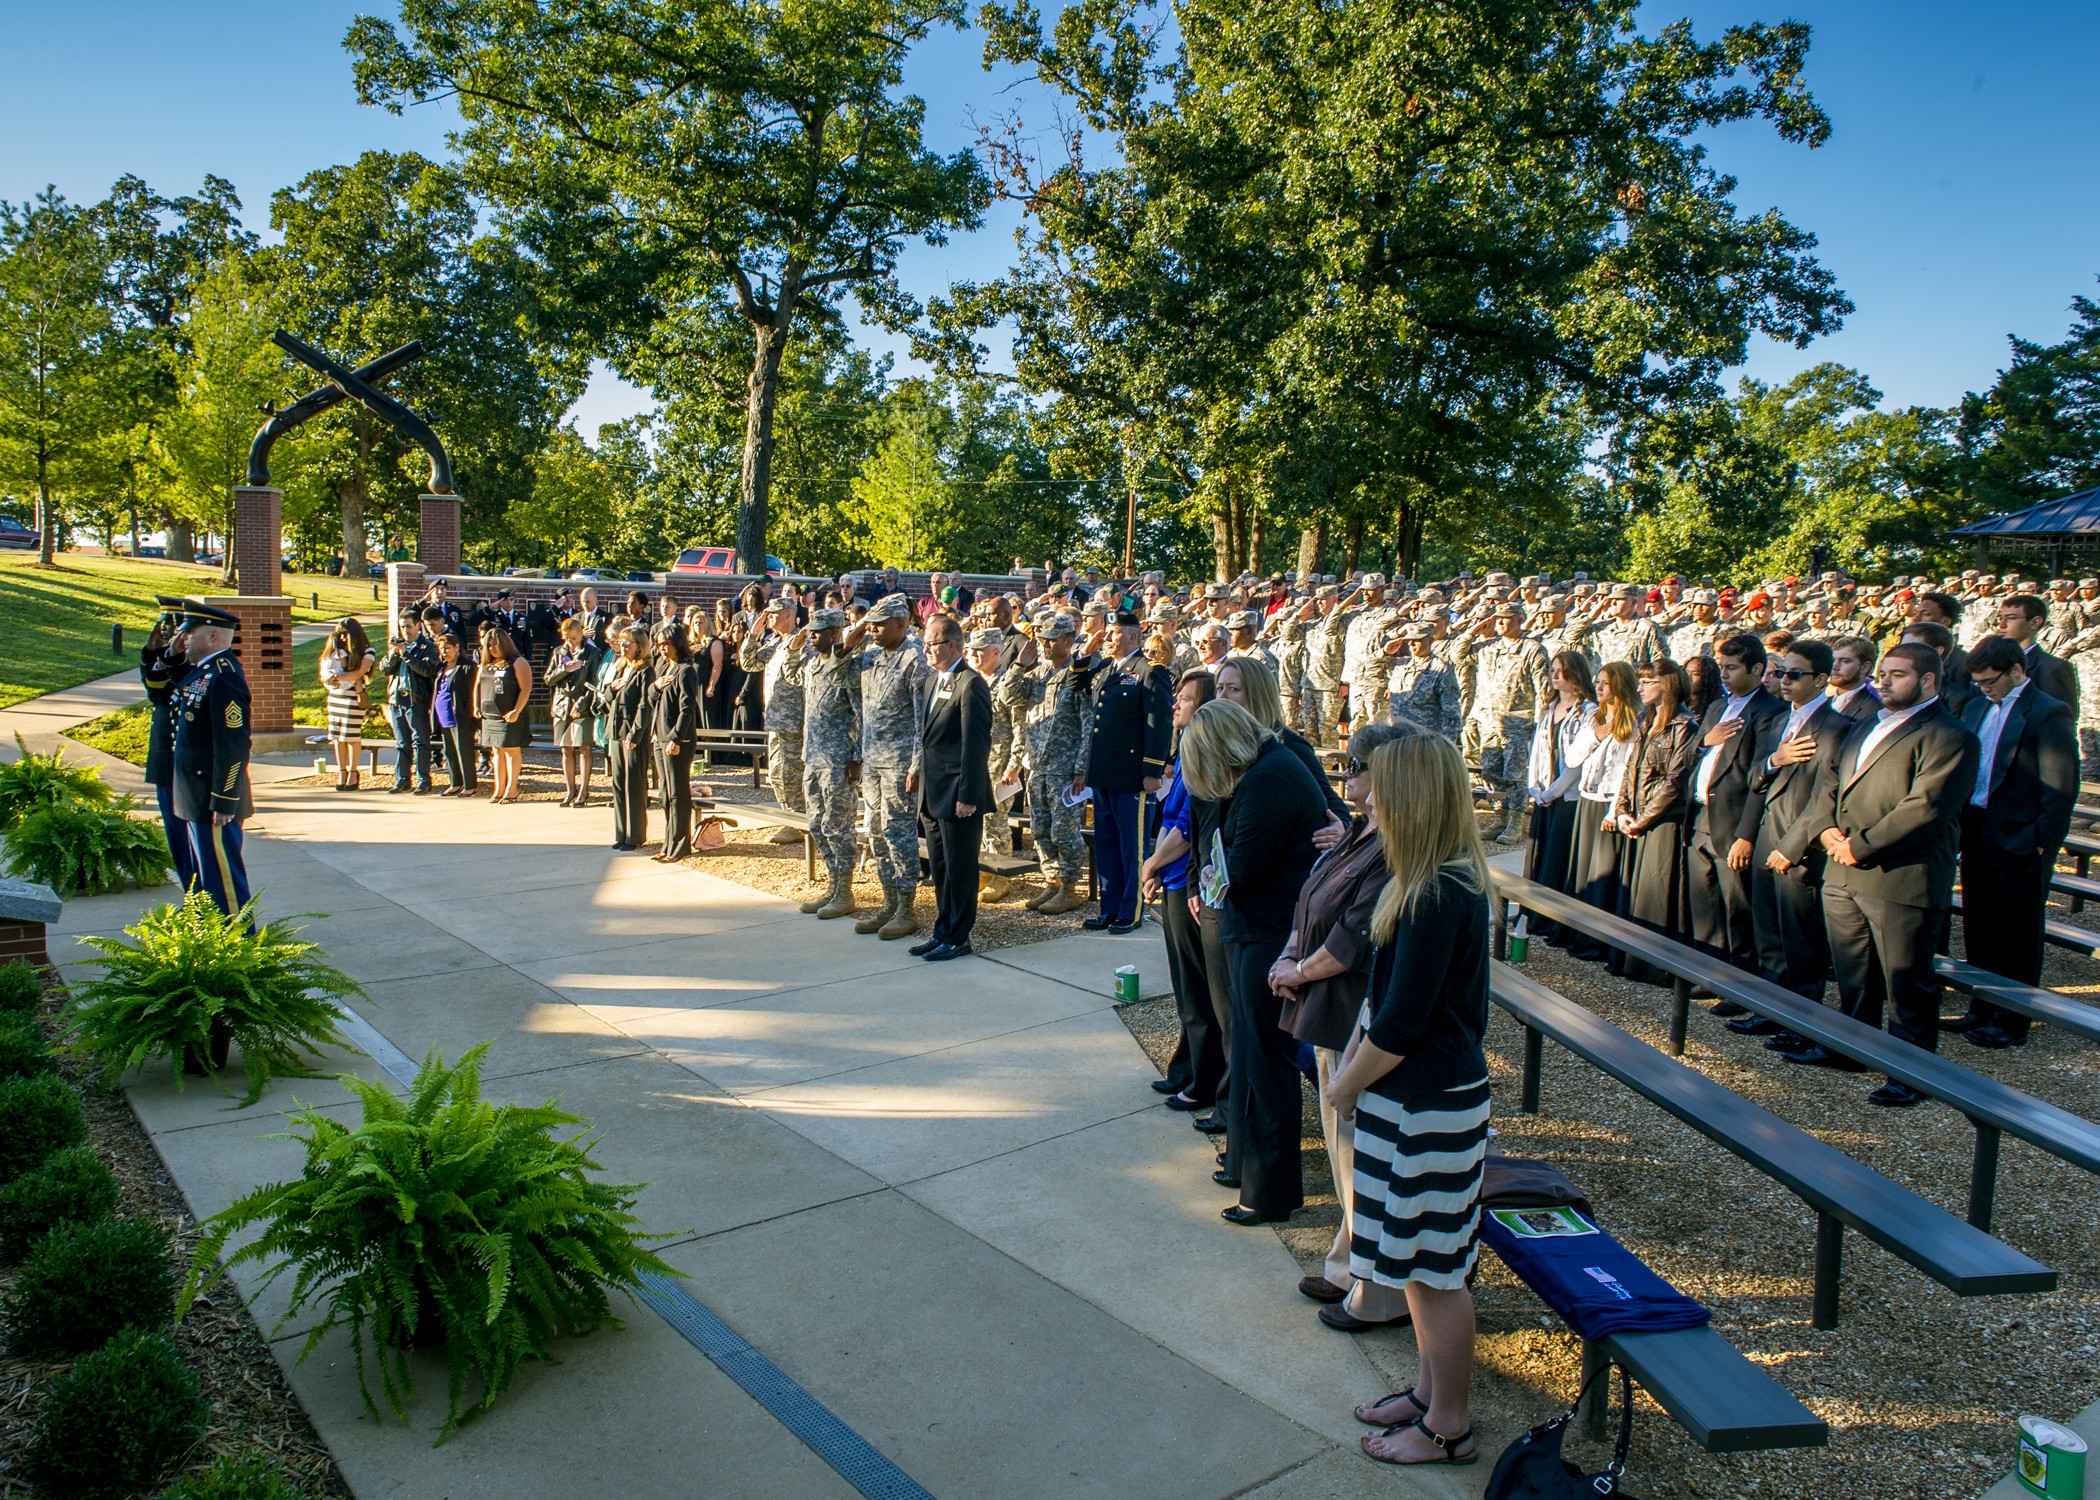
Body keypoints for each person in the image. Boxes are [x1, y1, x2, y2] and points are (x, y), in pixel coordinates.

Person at [1331, 733, 1491, 1468]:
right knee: (1419, 1262)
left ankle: (1448, 1425)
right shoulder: (1423, 878)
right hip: (1416, 1101)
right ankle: (1429, 1392)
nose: (1367, 795)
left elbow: (1400, 1025)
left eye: (1380, 784)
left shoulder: (1436, 892)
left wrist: (1344, 1083)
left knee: (1433, 1272)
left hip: (1429, 1101)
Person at [1273, 720, 1413, 1334]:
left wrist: (1296, 970)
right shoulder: (1358, 833)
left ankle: (1374, 1286)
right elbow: (1314, 903)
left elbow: (1350, 940)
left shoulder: (1393, 851)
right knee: (1342, 1150)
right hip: (1326, 1006)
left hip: (1350, 1010)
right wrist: (1292, 958)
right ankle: (1346, 1260)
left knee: (1355, 1152)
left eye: (1355, 767)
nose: (1346, 777)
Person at [1795, 642, 1978, 1106]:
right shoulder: (1864, 725)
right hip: (1842, 869)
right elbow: (1829, 783)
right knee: (1854, 970)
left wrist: (1861, 844)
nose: (1885, 682)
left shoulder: (1949, 735)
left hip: (1900, 876)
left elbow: (1926, 807)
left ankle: (1911, 1073)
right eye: (1883, 674)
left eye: (1898, 675)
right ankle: (1849, 1047)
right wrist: (1828, 832)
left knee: (1907, 981)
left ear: (1929, 680)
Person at [1180, 699, 1326, 1228]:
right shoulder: (1263, 768)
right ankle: (1246, 1165)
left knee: (1267, 1061)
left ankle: (1270, 1192)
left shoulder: (1268, 777)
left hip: (1270, 933)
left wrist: (1219, 864)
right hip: (1258, 928)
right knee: (1248, 1051)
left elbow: (1237, 866)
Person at [1949, 635, 2077, 1047]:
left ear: (2017, 671)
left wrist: (2041, 841)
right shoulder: (1976, 705)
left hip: (2020, 836)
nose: (1983, 688)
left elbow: (2060, 785)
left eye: (1990, 681)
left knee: (2017, 931)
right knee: (1980, 924)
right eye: (1979, 682)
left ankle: (2013, 1018)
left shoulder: (2047, 711)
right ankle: (1981, 1006)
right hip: (1977, 827)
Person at [1744, 639, 1852, 1040]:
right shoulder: (1777, 720)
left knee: (1801, 941)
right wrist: (1776, 760)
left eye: (1794, 674)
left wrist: (1791, 848)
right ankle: (1770, 1008)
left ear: (1821, 679)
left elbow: (1827, 797)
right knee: (1769, 934)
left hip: (1798, 846)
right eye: (1781, 672)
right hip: (1766, 835)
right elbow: (1754, 778)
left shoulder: (1837, 728)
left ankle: (1801, 1022)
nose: (1783, 680)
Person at [1141, 669, 1221, 1115]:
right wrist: (1155, 866)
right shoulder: (1186, 747)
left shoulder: (1202, 756)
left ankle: (1202, 1079)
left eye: (1186, 699)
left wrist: (1152, 863)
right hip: (1172, 877)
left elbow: (1188, 829)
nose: (1176, 705)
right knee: (1183, 984)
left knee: (1196, 987)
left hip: (1184, 880)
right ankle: (1186, 1066)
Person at [1682, 634, 1783, 987]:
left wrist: (1745, 834)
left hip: (1734, 819)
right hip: (1700, 815)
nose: (1723, 674)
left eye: (1732, 668)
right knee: (1705, 900)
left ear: (1757, 669)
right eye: (1721, 667)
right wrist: (1707, 740)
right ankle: (1709, 973)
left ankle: (1738, 982)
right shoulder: (1716, 708)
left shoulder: (1771, 712)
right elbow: (1692, 751)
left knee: (1736, 906)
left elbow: (1760, 779)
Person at [845, 594, 930, 940]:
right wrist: (847, 643)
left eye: (880, 625)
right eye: (871, 624)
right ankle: (889, 902)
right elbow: (836, 675)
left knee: (898, 835)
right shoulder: (870, 658)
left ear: (901, 623)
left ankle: (907, 908)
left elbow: (923, 719)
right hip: (873, 760)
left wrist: (916, 765)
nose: (873, 630)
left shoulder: (914, 658)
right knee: (877, 835)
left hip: (899, 765)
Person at [1082, 609, 1172, 933]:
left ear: (1134, 636)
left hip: (1131, 773)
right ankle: (1109, 908)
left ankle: (1130, 911)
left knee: (1130, 846)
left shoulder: (1149, 671)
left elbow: (1158, 724)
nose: (1108, 636)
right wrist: (1084, 654)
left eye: (1115, 632)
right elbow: (1075, 683)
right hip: (1104, 770)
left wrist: (1152, 769)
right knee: (1106, 841)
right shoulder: (1107, 667)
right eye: (1108, 631)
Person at [911, 616, 994, 960]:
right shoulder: (933, 681)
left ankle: (959, 937)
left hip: (959, 793)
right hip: (932, 791)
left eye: (933, 643)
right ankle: (942, 929)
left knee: (961, 868)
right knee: (941, 868)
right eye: (926, 643)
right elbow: (928, 737)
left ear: (953, 646)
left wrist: (968, 795)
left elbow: (975, 745)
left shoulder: (970, 683)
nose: (927, 650)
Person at [1611, 658, 1699, 983]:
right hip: (1637, 817)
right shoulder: (1645, 719)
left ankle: (1651, 965)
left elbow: (1675, 780)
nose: (1640, 688)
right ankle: (1628, 957)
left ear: (1668, 685)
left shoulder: (1684, 726)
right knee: (1634, 889)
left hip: (1661, 822)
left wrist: (1644, 819)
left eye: (1648, 682)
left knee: (1655, 891)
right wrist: (1622, 810)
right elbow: (1630, 769)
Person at [167, 600, 255, 920]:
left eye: (191, 633)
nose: (184, 638)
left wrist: (224, 798)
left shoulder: (225, 676)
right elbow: (172, 691)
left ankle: (239, 942)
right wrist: (174, 656)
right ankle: (212, 938)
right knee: (205, 880)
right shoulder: (204, 670)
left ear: (214, 637)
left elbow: (233, 745)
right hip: (195, 793)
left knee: (223, 881)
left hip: (212, 796)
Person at [1002, 613, 1093, 914]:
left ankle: (1069, 887)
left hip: (1065, 769)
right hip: (1038, 766)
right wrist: (1019, 664)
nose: (1045, 644)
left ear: (1069, 641)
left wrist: (1081, 767)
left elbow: (1087, 722)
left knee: (1064, 831)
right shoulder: (1035, 673)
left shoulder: (1079, 673)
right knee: (1040, 830)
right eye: (1042, 638)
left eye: (1052, 639)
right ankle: (1052, 882)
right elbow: (1007, 696)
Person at [1214, 655, 1349, 822]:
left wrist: (1340, 825)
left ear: (1257, 695)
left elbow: (1329, 798)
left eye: (1233, 689)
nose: (1222, 697)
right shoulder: (1223, 741)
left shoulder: (1289, 745)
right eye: (1219, 688)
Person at [792, 609, 865, 918]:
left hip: (838, 760)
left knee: (839, 827)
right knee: (816, 825)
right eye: (811, 630)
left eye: (820, 631)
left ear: (837, 633)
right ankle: (833, 886)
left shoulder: (848, 669)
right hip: (814, 757)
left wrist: (857, 757)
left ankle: (845, 891)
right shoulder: (811, 665)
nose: (812, 635)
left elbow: (862, 715)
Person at [1523, 651, 1597, 939]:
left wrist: (1554, 791)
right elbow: (1538, 752)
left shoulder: (1588, 711)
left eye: (1561, 671)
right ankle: (1534, 913)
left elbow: (1577, 761)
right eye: (1553, 670)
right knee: (1540, 855)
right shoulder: (1548, 707)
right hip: (1544, 795)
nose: (1554, 676)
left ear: (1575, 675)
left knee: (1558, 857)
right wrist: (1537, 789)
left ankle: (1555, 919)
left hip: (1566, 796)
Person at [1571, 661, 1639, 963]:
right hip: (1587, 798)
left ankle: (1596, 941)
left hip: (1608, 803)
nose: (1598, 688)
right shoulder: (1593, 717)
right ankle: (1578, 932)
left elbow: (1627, 770)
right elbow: (1573, 758)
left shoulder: (1633, 722)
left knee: (1602, 873)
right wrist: (1596, 734)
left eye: (1605, 683)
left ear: (1619, 687)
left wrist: (1615, 811)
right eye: (1597, 682)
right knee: (1583, 871)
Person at [138, 597, 197, 890]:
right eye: (165, 629)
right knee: (175, 831)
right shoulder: (155, 663)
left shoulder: (199, 661)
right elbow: (156, 692)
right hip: (165, 750)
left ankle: (202, 890)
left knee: (197, 833)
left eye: (175, 631)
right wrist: (160, 655)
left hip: (191, 755)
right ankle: (190, 889)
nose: (169, 635)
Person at [741, 595, 809, 845]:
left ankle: (799, 821)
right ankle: (790, 818)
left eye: (773, 614)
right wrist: (753, 635)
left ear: (789, 615)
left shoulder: (802, 642)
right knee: (778, 772)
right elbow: (749, 663)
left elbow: (806, 683)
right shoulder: (775, 643)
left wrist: (806, 721)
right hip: (776, 720)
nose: (767, 617)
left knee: (792, 773)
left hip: (793, 721)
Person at [647, 623, 703, 861]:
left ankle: (680, 845)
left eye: (665, 644)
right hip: (659, 736)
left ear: (676, 643)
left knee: (678, 792)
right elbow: (652, 699)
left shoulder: (686, 670)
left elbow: (688, 707)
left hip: (677, 738)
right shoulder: (663, 667)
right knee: (664, 792)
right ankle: (668, 843)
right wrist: (655, 686)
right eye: (658, 644)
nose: (660, 648)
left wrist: (676, 737)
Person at [599, 625, 652, 850]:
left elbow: (644, 705)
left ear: (639, 647)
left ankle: (635, 835)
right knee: (618, 783)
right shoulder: (621, 668)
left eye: (628, 642)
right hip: (616, 731)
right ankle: (621, 833)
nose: (623, 645)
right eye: (621, 641)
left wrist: (635, 734)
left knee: (634, 785)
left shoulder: (645, 671)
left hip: (632, 734)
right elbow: (608, 696)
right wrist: (612, 687)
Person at [376, 612, 438, 796]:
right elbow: (385, 669)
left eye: (408, 626)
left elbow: (426, 670)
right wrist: (395, 653)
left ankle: (423, 780)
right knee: (402, 743)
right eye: (402, 626)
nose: (405, 630)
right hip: (397, 699)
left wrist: (406, 653)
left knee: (420, 742)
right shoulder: (397, 646)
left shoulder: (427, 647)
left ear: (418, 625)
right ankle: (402, 780)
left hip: (416, 699)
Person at [545, 614, 603, 807]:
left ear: (581, 634)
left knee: (583, 747)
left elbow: (594, 683)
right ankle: (570, 789)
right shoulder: (559, 652)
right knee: (566, 748)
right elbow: (548, 679)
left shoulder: (591, 653)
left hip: (581, 704)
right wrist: (565, 669)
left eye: (573, 637)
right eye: (566, 637)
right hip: (562, 704)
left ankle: (584, 790)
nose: (569, 641)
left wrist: (582, 705)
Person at [475, 625, 533, 803]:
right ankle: (498, 789)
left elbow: (526, 688)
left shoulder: (517, 662)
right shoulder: (486, 664)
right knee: (496, 752)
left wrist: (516, 710)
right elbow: (478, 685)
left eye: (496, 644)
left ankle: (512, 788)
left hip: (510, 715)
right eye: (490, 645)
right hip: (490, 715)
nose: (493, 648)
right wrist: (476, 706)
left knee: (511, 750)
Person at [318, 616, 376, 792]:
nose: (343, 638)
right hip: (335, 696)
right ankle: (341, 771)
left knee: (350, 736)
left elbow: (358, 673)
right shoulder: (337, 651)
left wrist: (338, 677)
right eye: (340, 635)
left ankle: (353, 772)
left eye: (346, 635)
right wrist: (330, 679)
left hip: (352, 697)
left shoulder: (368, 651)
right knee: (337, 736)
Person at [1998, 593, 2079, 717]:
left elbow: (2060, 719)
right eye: (2000, 618)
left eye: (2011, 618)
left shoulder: (2052, 668)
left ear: (2035, 622)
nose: (2002, 624)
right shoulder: (1993, 662)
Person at [431, 631, 479, 797]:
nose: (444, 652)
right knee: (449, 751)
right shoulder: (441, 667)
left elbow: (471, 692)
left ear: (457, 647)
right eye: (441, 649)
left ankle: (470, 785)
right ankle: (455, 783)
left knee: (463, 750)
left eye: (447, 648)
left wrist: (468, 712)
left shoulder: (467, 666)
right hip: (443, 714)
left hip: (460, 716)